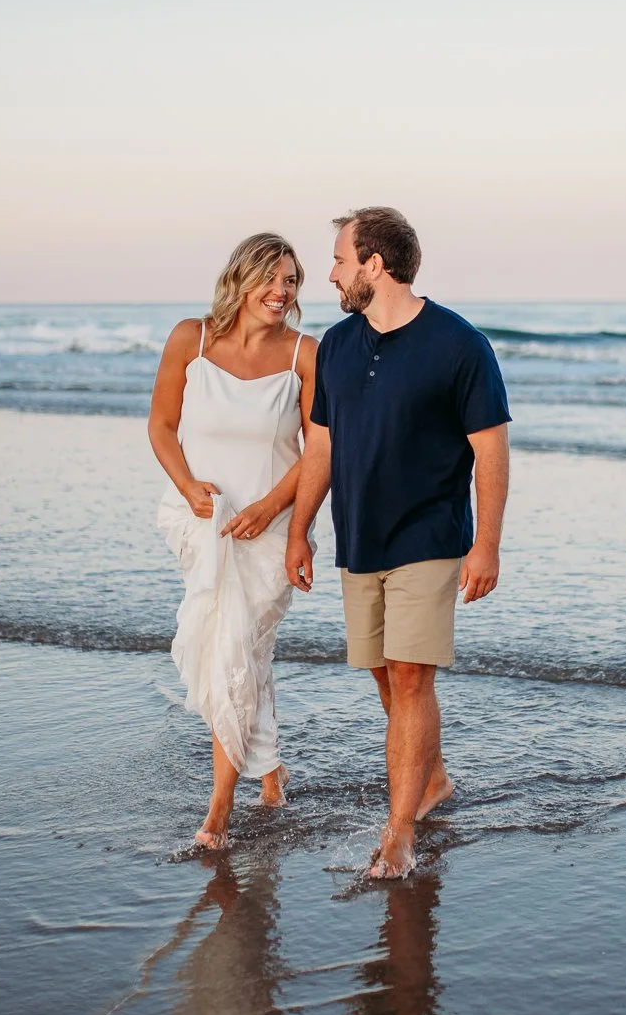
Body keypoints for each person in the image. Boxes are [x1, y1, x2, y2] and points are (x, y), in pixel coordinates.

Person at [286, 207, 511, 879]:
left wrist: (487, 545)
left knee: (411, 677)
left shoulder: (460, 345)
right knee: (386, 677)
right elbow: (320, 446)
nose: (329, 273)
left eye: (338, 259)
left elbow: (491, 451)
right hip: (359, 535)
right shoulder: (335, 345)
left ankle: (398, 831)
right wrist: (299, 530)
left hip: (430, 534)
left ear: (373, 264)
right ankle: (432, 778)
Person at [150, 233, 317, 850]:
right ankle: (270, 775)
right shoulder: (189, 339)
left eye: (292, 281)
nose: (281, 292)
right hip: (202, 524)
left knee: (233, 654)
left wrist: (277, 511)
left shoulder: (307, 354)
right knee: (241, 655)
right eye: (271, 279)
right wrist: (188, 483)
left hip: (270, 532)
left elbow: (320, 449)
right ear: (240, 279)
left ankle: (217, 815)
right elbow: (161, 425)